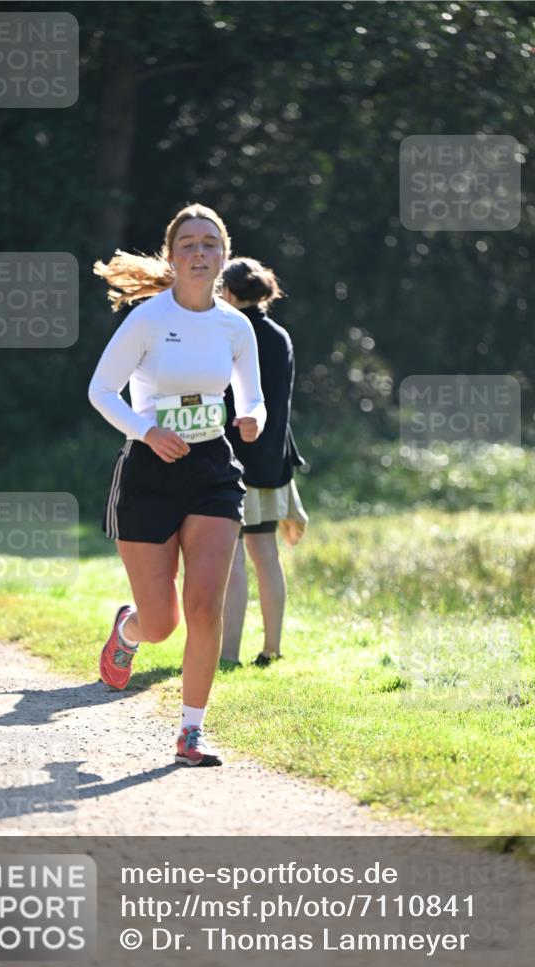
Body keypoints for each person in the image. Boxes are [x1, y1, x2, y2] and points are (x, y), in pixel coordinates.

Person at [88, 205, 266, 767]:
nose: (199, 252)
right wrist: (146, 431)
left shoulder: (235, 326)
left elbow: (252, 396)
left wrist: (252, 418)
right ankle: (129, 630)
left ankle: (191, 732)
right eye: (187, 243)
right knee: (162, 623)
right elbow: (101, 390)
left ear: (224, 255)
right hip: (149, 470)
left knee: (205, 606)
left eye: (209, 243)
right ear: (171, 256)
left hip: (211, 469)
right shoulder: (147, 320)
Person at [220, 258, 307, 667]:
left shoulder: (229, 332)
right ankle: (272, 648)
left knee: (231, 560)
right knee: (266, 555)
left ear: (229, 293)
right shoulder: (280, 336)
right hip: (273, 461)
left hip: (231, 461)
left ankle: (227, 654)